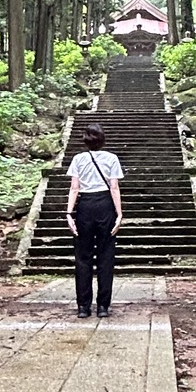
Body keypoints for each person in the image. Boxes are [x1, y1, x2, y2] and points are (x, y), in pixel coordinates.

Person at [65, 120, 123, 318]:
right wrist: (119, 213)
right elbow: (114, 188)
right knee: (106, 256)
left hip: (85, 207)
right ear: (102, 139)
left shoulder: (78, 159)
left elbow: (74, 188)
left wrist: (68, 213)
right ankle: (103, 307)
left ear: (85, 140)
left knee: (83, 257)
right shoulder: (112, 158)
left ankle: (83, 307)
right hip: (105, 205)